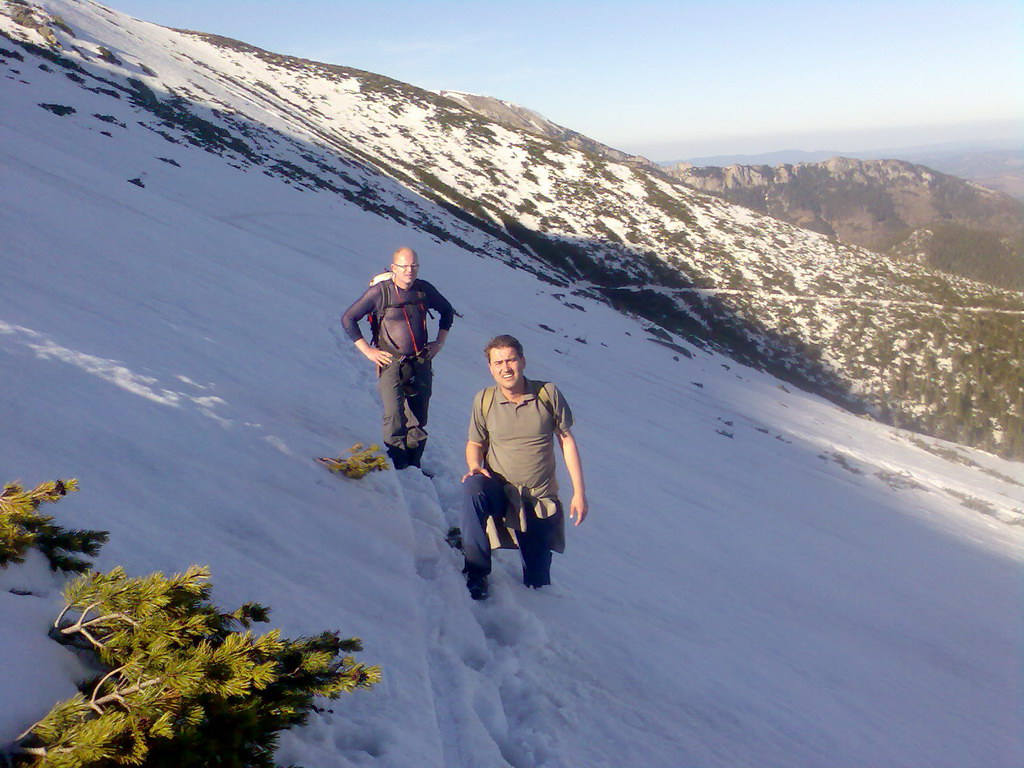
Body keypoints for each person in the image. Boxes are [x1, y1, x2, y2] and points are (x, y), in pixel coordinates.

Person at [460, 334, 588, 600]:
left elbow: (566, 441)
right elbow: (475, 443)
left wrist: (579, 492)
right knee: (473, 488)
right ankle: (476, 572)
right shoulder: (484, 400)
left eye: (511, 360)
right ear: (490, 368)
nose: (506, 368)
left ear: (523, 361)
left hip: (538, 499)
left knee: (538, 581)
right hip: (501, 492)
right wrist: (474, 465)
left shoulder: (547, 394)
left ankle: (538, 620)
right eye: (499, 363)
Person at [341, 247, 455, 469]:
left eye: (414, 266)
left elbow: (447, 311)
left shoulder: (424, 290)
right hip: (389, 360)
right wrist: (368, 351)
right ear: (394, 268)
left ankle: (413, 462)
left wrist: (439, 342)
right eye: (404, 266)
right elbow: (348, 319)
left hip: (420, 360)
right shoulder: (380, 293)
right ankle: (397, 462)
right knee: (393, 414)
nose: (409, 271)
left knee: (418, 414)